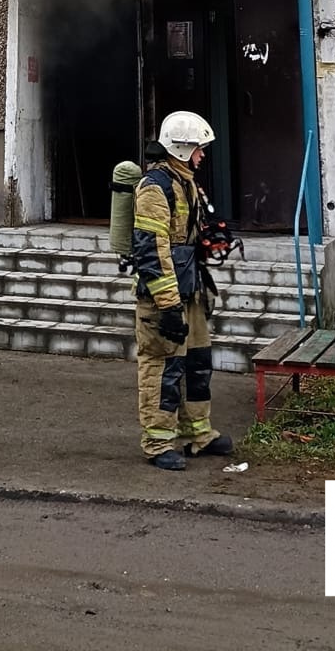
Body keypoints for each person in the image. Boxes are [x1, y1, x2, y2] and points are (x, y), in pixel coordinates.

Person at [129, 110, 236, 469]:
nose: (202, 155)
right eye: (198, 149)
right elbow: (151, 247)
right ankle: (159, 443)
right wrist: (169, 306)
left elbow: (182, 236)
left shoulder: (185, 182)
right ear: (180, 148)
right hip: (165, 297)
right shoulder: (154, 187)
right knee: (163, 366)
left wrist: (208, 239)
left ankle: (198, 433)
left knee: (197, 362)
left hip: (189, 290)